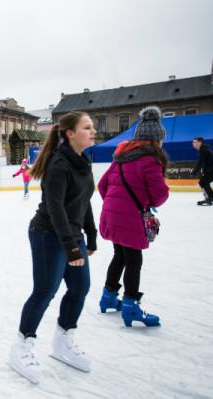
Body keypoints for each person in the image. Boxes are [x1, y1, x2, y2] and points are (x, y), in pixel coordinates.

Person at [8, 112, 97, 384]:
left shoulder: (83, 161)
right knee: (45, 291)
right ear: (70, 133)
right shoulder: (59, 164)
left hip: (72, 234)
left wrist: (90, 233)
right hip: (48, 234)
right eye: (87, 127)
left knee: (80, 288)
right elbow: (56, 208)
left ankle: (63, 340)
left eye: (93, 127)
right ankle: (21, 346)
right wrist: (71, 246)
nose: (93, 131)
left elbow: (83, 200)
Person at [98, 106, 170, 327]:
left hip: (111, 214)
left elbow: (102, 185)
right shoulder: (151, 160)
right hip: (130, 217)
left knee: (119, 255)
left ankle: (108, 298)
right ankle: (130, 307)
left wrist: (114, 205)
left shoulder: (120, 156)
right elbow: (159, 196)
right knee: (134, 260)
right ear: (156, 139)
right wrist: (139, 205)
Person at [191, 137, 213, 206]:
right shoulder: (204, 149)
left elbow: (200, 162)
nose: (193, 144)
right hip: (210, 169)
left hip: (211, 170)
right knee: (203, 182)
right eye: (193, 142)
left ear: (199, 142)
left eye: (194, 142)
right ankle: (210, 197)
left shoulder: (203, 150)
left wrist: (194, 172)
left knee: (203, 182)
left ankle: (209, 198)